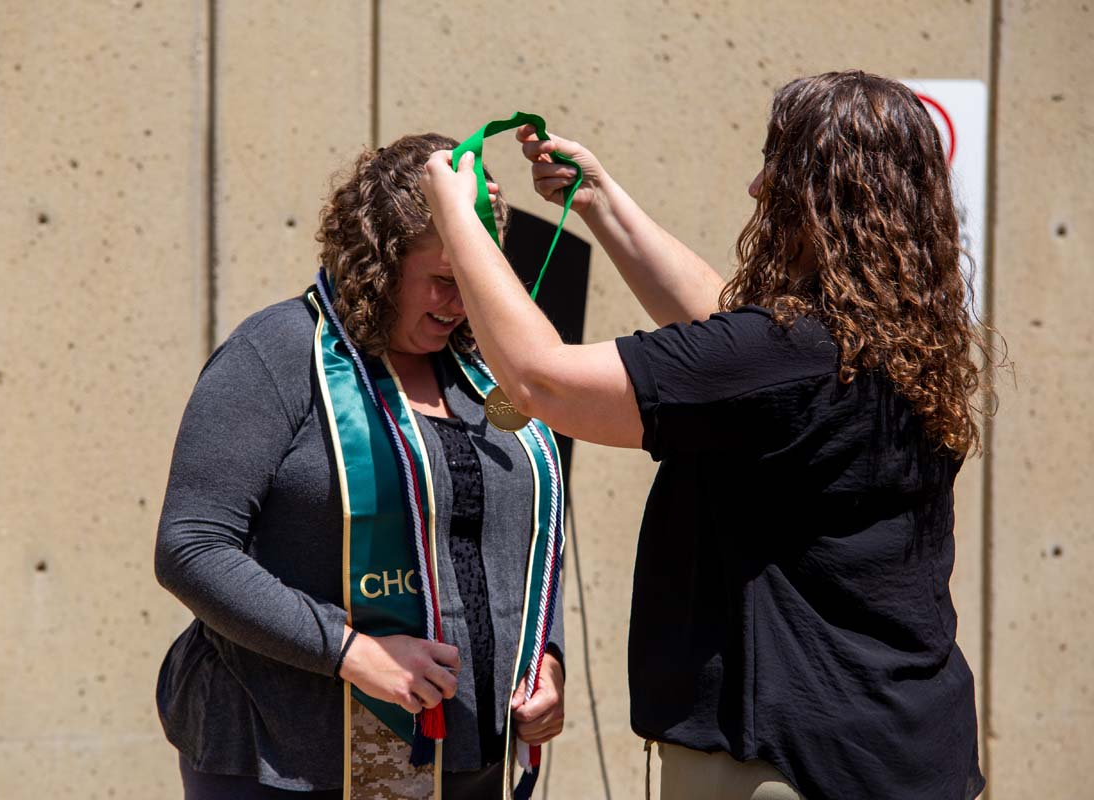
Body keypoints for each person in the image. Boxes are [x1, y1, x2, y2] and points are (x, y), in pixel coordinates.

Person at [421, 71, 993, 800]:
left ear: (824, 195)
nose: (757, 190)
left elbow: (542, 382)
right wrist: (599, 202)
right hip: (913, 747)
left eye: (775, 167)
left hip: (784, 763)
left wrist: (456, 217)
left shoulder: (783, 359)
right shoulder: (895, 340)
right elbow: (726, 337)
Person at [154, 132, 565, 800]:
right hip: (287, 755)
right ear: (379, 261)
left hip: (468, 759)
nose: (461, 304)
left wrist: (548, 657)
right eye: (441, 280)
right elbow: (191, 547)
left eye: (475, 278)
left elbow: (526, 532)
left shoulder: (485, 371)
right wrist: (351, 651)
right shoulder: (278, 353)